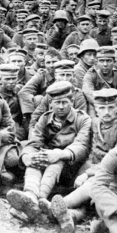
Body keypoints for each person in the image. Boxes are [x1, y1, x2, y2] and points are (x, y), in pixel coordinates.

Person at [7, 81, 91, 221]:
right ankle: (30, 196)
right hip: (47, 163)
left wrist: (60, 154)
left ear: (72, 101)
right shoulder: (45, 118)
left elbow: (81, 146)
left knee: (56, 160)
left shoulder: (82, 119)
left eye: (65, 102)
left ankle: (40, 199)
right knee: (35, 158)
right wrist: (27, 156)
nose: (61, 107)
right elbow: (34, 143)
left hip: (70, 169)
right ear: (50, 103)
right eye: (57, 103)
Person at [50, 88, 117, 233]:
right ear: (96, 109)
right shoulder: (95, 123)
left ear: (116, 108)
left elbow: (115, 160)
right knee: (82, 191)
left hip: (115, 173)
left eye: (110, 107)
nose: (106, 112)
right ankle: (71, 216)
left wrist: (88, 173)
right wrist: (84, 170)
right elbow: (92, 152)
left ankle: (53, 208)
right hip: (94, 166)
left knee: (91, 185)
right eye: (102, 108)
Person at [29, 60, 87, 136]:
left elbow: (81, 120)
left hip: (70, 133)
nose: (65, 78)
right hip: (49, 132)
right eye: (62, 75)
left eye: (68, 75)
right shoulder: (51, 94)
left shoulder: (78, 95)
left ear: (73, 76)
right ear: (55, 76)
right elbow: (36, 115)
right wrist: (32, 132)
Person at [83, 46, 117, 117]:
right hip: (97, 108)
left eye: (108, 61)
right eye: (102, 61)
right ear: (96, 62)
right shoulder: (91, 75)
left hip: (115, 108)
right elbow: (89, 94)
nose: (105, 64)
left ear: (114, 62)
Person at [18, 48, 60, 119]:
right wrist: (31, 115)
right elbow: (24, 92)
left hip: (62, 106)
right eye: (48, 62)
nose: (51, 65)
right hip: (43, 110)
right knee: (38, 99)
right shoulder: (42, 74)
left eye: (54, 62)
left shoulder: (66, 74)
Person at [0, 64, 26, 141]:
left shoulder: (20, 89)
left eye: (14, 78)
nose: (11, 82)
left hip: (19, 123)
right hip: (4, 126)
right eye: (7, 79)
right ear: (0, 80)